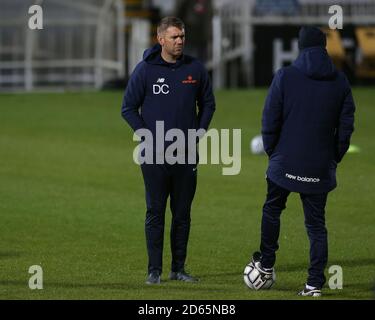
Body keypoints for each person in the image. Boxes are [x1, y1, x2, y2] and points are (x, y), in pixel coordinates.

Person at [250, 26, 355, 296]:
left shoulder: (285, 76)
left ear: (300, 46)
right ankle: (313, 284)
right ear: (324, 47)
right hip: (319, 166)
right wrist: (334, 158)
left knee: (272, 210)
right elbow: (346, 127)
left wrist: (274, 153)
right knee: (316, 225)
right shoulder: (340, 81)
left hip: (284, 162)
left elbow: (269, 119)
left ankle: (266, 265)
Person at [121, 17, 215, 284]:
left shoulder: (195, 69)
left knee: (182, 213)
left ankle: (178, 268)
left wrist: (198, 132)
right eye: (174, 37)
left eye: (182, 36)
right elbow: (128, 108)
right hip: (153, 156)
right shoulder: (145, 70)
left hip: (186, 155)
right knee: (155, 212)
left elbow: (208, 104)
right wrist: (147, 137)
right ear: (160, 39)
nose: (180, 41)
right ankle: (154, 270)